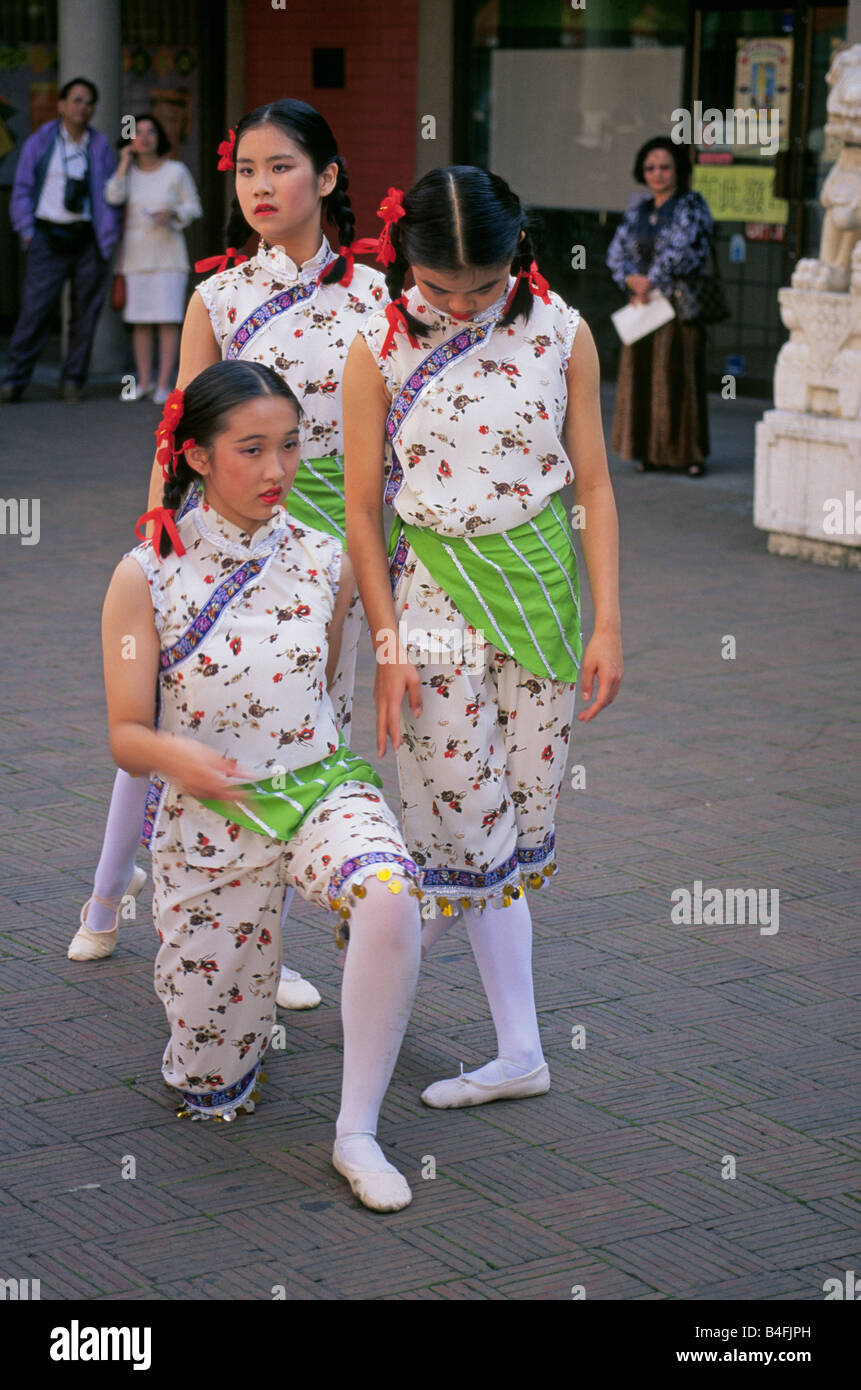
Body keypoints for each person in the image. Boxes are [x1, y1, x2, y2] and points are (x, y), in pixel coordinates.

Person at [67, 99, 386, 1013]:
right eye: (245, 170)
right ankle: (105, 894)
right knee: (171, 726)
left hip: (320, 549)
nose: (258, 186)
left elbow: (387, 442)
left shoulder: (373, 295)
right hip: (214, 531)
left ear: (326, 178)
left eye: (279, 167)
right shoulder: (219, 294)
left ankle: (261, 936)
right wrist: (161, 529)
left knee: (300, 734)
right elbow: (178, 428)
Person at [104, 358, 422, 1211]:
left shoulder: (325, 560)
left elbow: (319, 692)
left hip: (316, 785)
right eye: (251, 449)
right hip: (207, 816)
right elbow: (126, 736)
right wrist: (186, 761)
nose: (278, 469)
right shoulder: (146, 573)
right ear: (199, 456)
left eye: (289, 445)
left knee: (390, 895)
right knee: (210, 1089)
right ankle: (223, 1033)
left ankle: (357, 1130)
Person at [344, 167, 623, 1110]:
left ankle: (380, 965)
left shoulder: (564, 333)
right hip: (428, 603)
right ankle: (520, 1051)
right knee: (471, 818)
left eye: (482, 284)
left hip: (542, 598)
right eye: (439, 286)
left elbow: (590, 486)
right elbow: (360, 512)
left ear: (518, 254)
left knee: (512, 820)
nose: (460, 305)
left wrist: (609, 621)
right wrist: (383, 648)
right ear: (402, 261)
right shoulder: (374, 347)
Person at [2, 78, 120, 403]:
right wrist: (27, 231)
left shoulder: (98, 147)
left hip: (87, 240)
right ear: (62, 105)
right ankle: (14, 381)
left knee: (84, 316)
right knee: (35, 312)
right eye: (77, 100)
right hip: (46, 236)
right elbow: (22, 187)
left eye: (88, 102)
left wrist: (107, 238)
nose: (82, 107)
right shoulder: (41, 141)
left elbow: (111, 194)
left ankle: (73, 382)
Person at [606, 136, 714, 476]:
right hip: (643, 305)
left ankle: (688, 456)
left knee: (680, 378)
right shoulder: (639, 209)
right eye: (651, 168)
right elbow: (616, 252)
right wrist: (630, 279)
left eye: (665, 167)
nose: (658, 174)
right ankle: (646, 451)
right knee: (643, 378)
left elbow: (683, 251)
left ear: (678, 169)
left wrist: (649, 280)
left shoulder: (692, 205)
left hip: (676, 306)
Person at [105, 113, 202, 404]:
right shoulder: (127, 173)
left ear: (160, 137)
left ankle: (165, 383)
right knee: (140, 322)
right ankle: (144, 381)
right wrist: (123, 161)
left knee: (167, 320)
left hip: (169, 256)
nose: (144, 137)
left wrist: (172, 213)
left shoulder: (175, 170)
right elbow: (112, 196)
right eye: (138, 132)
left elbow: (194, 207)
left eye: (151, 131)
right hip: (134, 257)